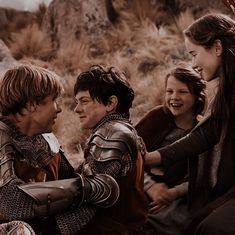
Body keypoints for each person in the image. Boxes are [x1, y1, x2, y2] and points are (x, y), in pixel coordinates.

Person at [0, 65, 121, 235]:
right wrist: (83, 188)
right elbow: (9, 203)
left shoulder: (46, 140)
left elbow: (67, 182)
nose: (59, 108)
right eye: (53, 100)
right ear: (32, 105)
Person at [145, 13, 235, 235]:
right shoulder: (227, 91)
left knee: (208, 227)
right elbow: (205, 136)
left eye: (195, 54)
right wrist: (152, 157)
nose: (193, 63)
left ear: (217, 48)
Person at [73, 64, 148, 234]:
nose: (77, 109)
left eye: (84, 101)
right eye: (76, 102)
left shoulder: (111, 134)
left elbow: (92, 199)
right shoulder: (121, 129)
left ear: (110, 103)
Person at [135, 64, 206, 235]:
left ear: (197, 96)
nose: (174, 97)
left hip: (173, 197)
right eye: (169, 91)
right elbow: (128, 154)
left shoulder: (203, 131)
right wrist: (149, 186)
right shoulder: (157, 117)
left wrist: (172, 193)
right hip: (138, 183)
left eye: (182, 92)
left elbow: (200, 176)